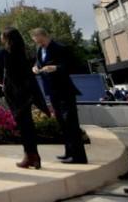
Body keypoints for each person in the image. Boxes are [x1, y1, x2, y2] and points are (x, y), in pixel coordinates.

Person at [0, 27, 50, 170]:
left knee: (23, 126)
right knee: (29, 125)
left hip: (14, 95)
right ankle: (34, 156)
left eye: (2, 37)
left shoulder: (3, 53)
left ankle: (29, 156)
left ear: (6, 39)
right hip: (28, 93)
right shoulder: (24, 52)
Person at [31, 28, 88, 164]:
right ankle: (69, 152)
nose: (34, 41)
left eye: (35, 38)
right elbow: (38, 63)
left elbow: (71, 65)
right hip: (51, 90)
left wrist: (55, 68)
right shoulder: (40, 50)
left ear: (41, 36)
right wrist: (35, 68)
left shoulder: (60, 48)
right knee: (62, 123)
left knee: (70, 122)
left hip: (64, 90)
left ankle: (79, 156)